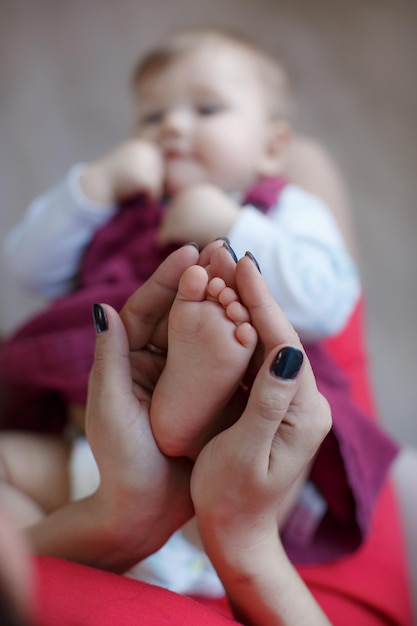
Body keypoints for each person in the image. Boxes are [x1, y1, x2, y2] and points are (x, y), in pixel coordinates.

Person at [0, 242, 412, 626]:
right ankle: (223, 430)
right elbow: (330, 288)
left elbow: (35, 255)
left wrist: (113, 520)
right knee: (289, 412)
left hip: (91, 498)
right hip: (228, 537)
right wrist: (244, 536)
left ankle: (206, 433)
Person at [0, 27, 360, 438]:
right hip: (83, 421)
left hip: (231, 433)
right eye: (152, 116)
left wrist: (230, 225)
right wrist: (96, 185)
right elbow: (30, 269)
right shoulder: (119, 204)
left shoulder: (285, 209)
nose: (170, 126)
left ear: (272, 148)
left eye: (206, 109)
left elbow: (327, 303)